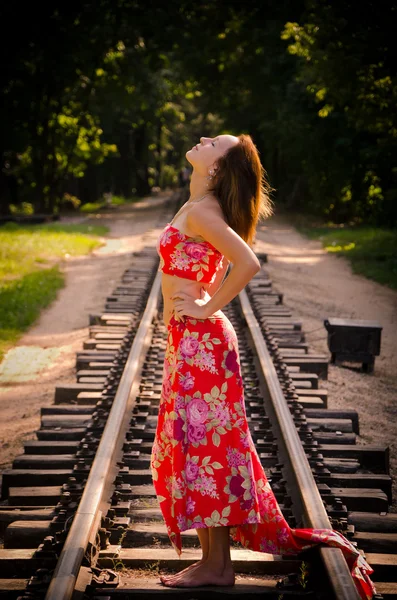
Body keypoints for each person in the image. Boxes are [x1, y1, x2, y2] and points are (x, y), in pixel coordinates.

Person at [151, 134, 375, 598]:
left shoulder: (202, 211)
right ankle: (213, 562)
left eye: (215, 142)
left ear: (216, 167)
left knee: (207, 452)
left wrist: (207, 307)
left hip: (202, 345)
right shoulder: (197, 204)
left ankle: (217, 565)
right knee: (200, 452)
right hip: (190, 346)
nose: (204, 138)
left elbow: (247, 263)